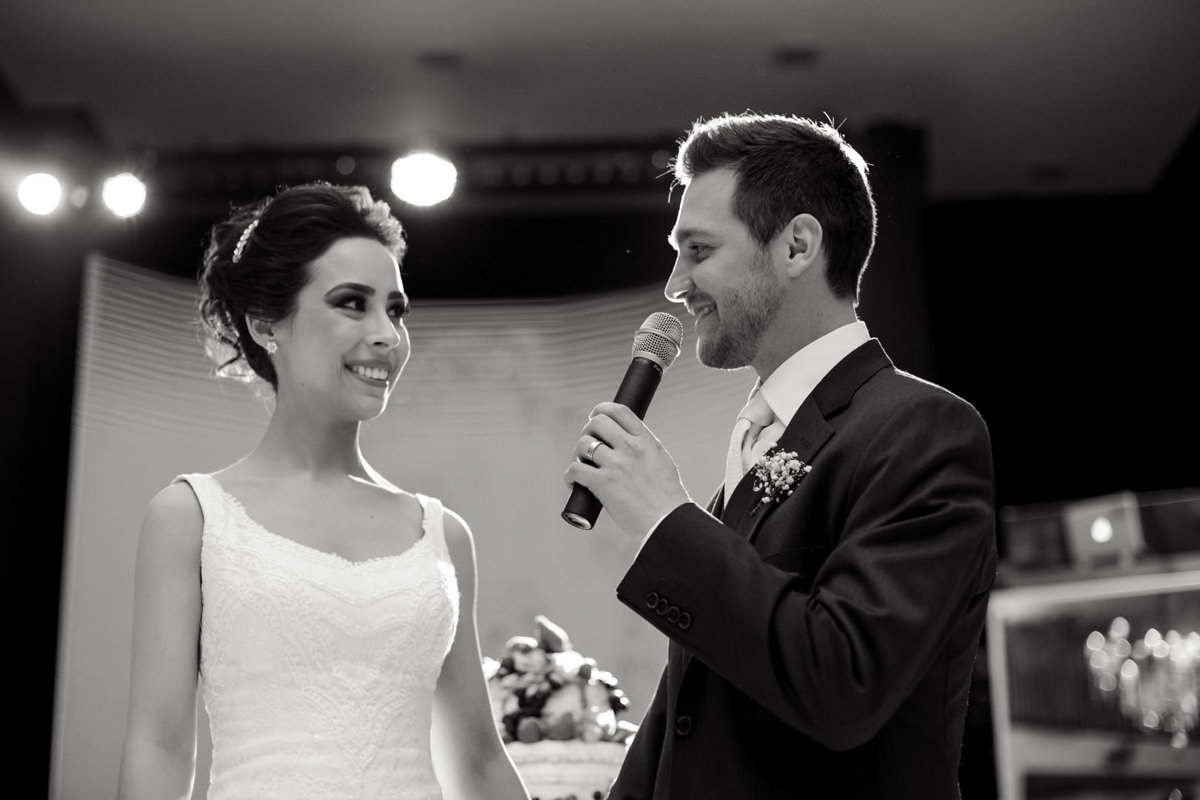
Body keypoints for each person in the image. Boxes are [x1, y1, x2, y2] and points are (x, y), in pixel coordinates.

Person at [564, 113, 996, 799]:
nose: (675, 285)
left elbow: (842, 682)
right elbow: (692, 718)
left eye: (698, 250)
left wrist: (665, 520)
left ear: (797, 245)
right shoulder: (762, 442)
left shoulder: (923, 430)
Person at [117, 182, 530, 800]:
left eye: (396, 309)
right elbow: (160, 746)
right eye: (351, 303)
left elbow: (479, 763)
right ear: (264, 325)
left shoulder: (443, 537)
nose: (387, 334)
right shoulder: (192, 518)